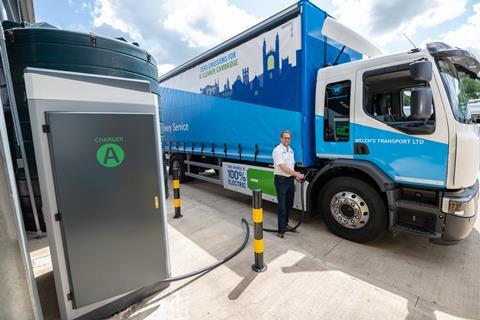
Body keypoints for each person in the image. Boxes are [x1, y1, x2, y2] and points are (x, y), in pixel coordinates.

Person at [272, 130, 304, 238]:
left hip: (290, 180)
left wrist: (295, 177)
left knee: (289, 204)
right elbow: (282, 167)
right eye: (285, 138)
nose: (287, 140)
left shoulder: (290, 151)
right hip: (281, 181)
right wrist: (297, 174)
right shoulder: (277, 150)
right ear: (281, 138)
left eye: (289, 138)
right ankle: (281, 231)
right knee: (282, 206)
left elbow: (290, 167)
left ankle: (285, 224)